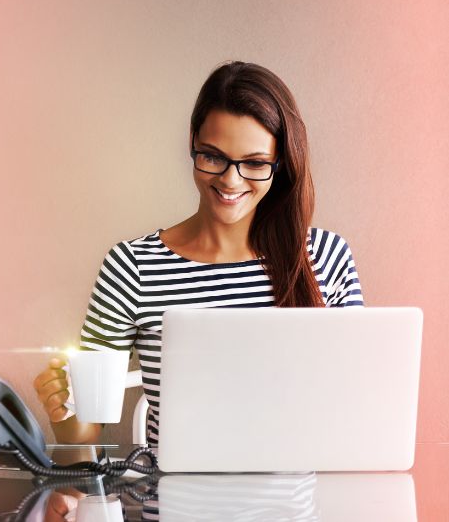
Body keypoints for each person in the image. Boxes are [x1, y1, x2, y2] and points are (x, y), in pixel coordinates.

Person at [33, 61, 364, 446]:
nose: (230, 179)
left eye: (254, 163)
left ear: (281, 163)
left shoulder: (326, 258)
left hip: (301, 502)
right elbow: (84, 437)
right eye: (213, 156)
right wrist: (62, 411)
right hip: (172, 502)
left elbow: (354, 408)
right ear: (193, 143)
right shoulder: (132, 266)